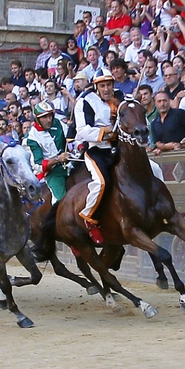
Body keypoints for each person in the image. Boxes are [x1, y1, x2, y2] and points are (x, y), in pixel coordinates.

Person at [73, 68, 117, 245]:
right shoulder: (84, 102)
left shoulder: (119, 99)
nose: (107, 89)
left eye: (109, 85)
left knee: (152, 167)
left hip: (117, 147)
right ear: (96, 86)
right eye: (103, 85)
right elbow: (82, 131)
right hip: (96, 149)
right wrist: (105, 131)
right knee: (101, 182)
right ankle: (89, 218)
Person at [26, 101, 70, 203]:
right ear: (37, 119)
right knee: (61, 201)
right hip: (52, 172)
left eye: (50, 116)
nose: (49, 120)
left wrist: (77, 146)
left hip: (69, 163)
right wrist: (58, 159)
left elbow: (70, 139)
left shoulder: (58, 123)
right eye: (44, 117)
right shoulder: (31, 138)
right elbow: (38, 165)